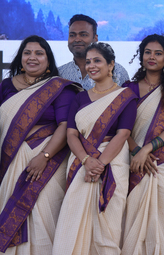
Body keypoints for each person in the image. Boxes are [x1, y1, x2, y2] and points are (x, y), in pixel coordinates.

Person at [52, 42, 137, 255]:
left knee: (108, 222)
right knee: (73, 218)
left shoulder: (125, 96)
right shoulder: (80, 96)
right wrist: (86, 161)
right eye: (88, 61)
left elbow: (124, 133)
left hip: (113, 162)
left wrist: (100, 164)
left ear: (111, 65)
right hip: (81, 162)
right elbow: (71, 133)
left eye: (97, 60)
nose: (91, 65)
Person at [0, 35, 80, 254]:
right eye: (27, 52)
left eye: (39, 53)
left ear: (48, 59)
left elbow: (65, 126)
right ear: (20, 57)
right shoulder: (6, 86)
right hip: (10, 159)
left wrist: (44, 157)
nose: (32, 57)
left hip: (48, 162)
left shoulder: (60, 88)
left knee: (43, 215)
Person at [121, 34, 164, 255]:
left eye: (158, 53)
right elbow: (122, 129)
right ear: (141, 56)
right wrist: (136, 151)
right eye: (148, 52)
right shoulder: (127, 88)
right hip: (132, 162)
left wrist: (146, 150)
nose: (152, 57)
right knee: (132, 220)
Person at [58, 14, 129, 89]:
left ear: (95, 38)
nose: (77, 39)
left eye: (83, 35)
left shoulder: (117, 71)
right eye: (72, 35)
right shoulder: (60, 74)